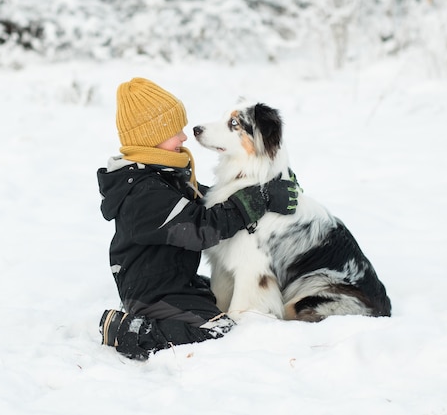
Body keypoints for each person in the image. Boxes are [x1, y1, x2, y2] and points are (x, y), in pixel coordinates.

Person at [97, 78, 298, 360]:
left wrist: (261, 188)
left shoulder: (161, 174)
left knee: (217, 302)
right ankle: (128, 331)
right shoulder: (143, 193)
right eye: (173, 132)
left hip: (174, 279)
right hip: (152, 292)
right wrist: (259, 199)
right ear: (149, 137)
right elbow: (201, 227)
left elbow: (200, 200)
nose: (183, 137)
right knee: (215, 331)